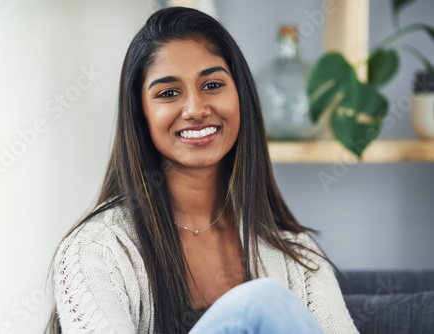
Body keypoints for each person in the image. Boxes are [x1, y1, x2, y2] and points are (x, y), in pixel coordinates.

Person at [45, 6, 358, 334]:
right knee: (260, 301)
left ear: (241, 97)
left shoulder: (294, 249)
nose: (195, 109)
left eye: (212, 85)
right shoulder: (99, 249)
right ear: (141, 114)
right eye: (168, 93)